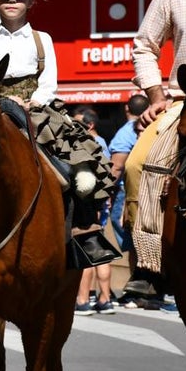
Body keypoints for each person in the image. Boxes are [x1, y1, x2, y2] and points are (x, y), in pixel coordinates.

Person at [0, 0, 115, 265]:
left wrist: (31, 102)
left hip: (36, 113)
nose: (12, 2)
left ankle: (82, 234)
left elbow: (49, 83)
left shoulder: (42, 39)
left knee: (79, 175)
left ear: (31, 0)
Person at [121, 0, 186, 299]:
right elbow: (145, 46)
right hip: (183, 100)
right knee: (136, 165)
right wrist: (157, 96)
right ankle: (149, 265)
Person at [72, 109, 114, 315]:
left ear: (89, 126)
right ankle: (105, 299)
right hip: (100, 205)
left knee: (85, 252)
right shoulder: (103, 145)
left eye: (77, 124)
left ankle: (82, 300)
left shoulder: (82, 146)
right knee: (100, 252)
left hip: (87, 206)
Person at [107, 93, 147, 286]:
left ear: (126, 108)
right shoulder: (152, 128)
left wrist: (106, 191)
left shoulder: (125, 132)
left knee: (132, 240)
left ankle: (138, 281)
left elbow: (116, 167)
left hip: (128, 192)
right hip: (149, 191)